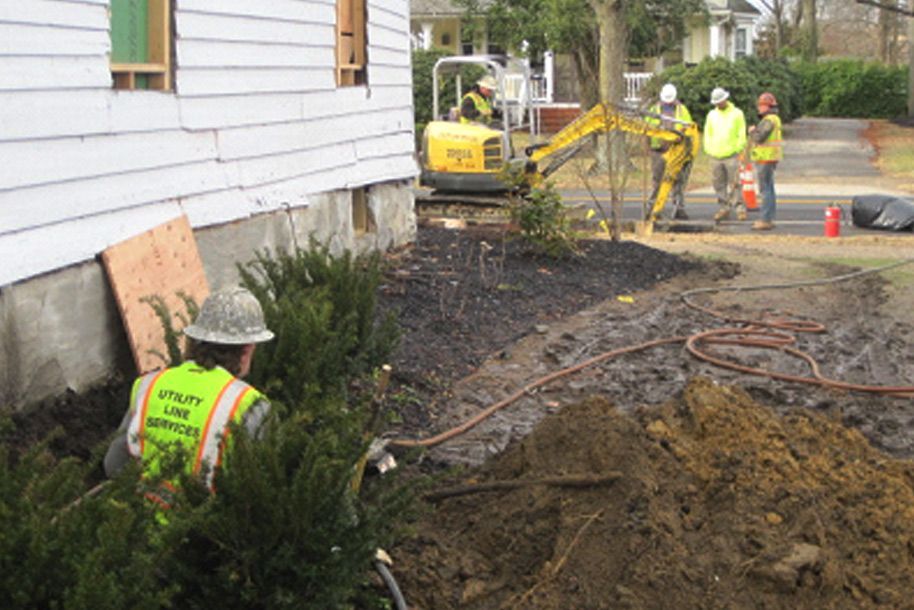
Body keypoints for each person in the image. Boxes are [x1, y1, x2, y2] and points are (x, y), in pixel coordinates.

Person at [104, 286, 275, 504]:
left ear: (195, 340)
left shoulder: (149, 385)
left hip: (138, 523)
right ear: (248, 348)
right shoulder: (250, 404)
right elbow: (257, 492)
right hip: (202, 532)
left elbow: (114, 466)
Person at [646, 83, 694, 220]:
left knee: (677, 181)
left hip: (676, 150)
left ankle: (679, 208)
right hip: (658, 151)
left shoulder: (682, 110)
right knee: (657, 181)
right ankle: (653, 208)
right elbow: (646, 129)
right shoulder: (654, 110)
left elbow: (689, 127)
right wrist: (647, 147)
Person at [703, 87, 748, 222]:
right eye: (716, 102)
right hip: (715, 155)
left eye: (720, 101)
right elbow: (707, 133)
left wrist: (738, 148)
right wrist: (709, 148)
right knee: (718, 184)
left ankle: (739, 208)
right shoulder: (711, 115)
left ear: (725, 99)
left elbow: (741, 132)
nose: (718, 104)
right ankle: (724, 208)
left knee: (735, 183)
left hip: (731, 154)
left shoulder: (737, 113)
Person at [748, 92, 782, 230]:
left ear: (767, 106)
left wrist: (752, 131)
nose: (759, 108)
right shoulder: (774, 119)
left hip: (765, 158)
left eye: (761, 105)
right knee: (770, 188)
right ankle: (769, 218)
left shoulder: (769, 120)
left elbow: (759, 137)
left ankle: (765, 219)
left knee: (765, 189)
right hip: (770, 157)